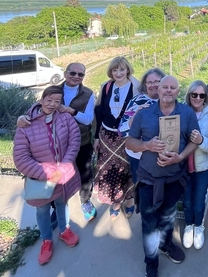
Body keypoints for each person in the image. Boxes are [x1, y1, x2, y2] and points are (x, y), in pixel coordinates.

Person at [125, 75, 199, 277]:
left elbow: (195, 140)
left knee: (167, 216)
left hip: (174, 177)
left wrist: (180, 158)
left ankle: (166, 245)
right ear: (157, 89)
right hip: (148, 179)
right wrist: (147, 145)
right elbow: (129, 141)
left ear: (178, 91)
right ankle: (151, 266)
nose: (167, 90)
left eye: (172, 87)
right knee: (149, 223)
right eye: (164, 87)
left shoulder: (186, 113)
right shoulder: (144, 114)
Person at [16, 61, 97, 222]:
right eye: (72, 73)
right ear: (65, 73)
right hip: (54, 145)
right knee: (55, 176)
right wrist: (23, 117)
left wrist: (71, 111)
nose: (76, 76)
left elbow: (88, 120)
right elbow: (39, 107)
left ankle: (85, 201)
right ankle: (55, 207)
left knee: (84, 173)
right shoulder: (55, 90)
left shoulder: (88, 94)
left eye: (80, 74)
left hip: (80, 141)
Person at [13, 85, 81, 265]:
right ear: (41, 100)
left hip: (62, 176)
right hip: (41, 179)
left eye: (57, 101)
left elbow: (74, 141)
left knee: (62, 203)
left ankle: (64, 230)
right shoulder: (26, 125)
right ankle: (46, 240)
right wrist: (49, 173)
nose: (52, 104)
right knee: (42, 209)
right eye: (49, 100)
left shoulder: (66, 118)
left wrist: (64, 168)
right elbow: (21, 158)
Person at [94, 56, 139, 218]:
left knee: (127, 168)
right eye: (115, 70)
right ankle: (116, 201)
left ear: (128, 69)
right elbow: (99, 113)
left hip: (126, 137)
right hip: (106, 136)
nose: (118, 73)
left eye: (121, 69)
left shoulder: (136, 87)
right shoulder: (106, 87)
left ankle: (129, 200)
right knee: (109, 169)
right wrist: (96, 137)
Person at [182, 80, 208, 250]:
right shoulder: (181, 112)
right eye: (194, 94)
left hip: (203, 167)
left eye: (201, 95)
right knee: (187, 201)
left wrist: (201, 141)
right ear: (189, 95)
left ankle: (199, 226)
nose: (197, 98)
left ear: (205, 96)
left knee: (198, 201)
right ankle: (188, 225)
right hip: (182, 166)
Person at [119, 67, 166, 188]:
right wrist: (135, 117)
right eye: (150, 82)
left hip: (161, 155)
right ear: (145, 85)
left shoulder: (169, 100)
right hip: (138, 156)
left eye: (157, 81)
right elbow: (122, 129)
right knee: (142, 189)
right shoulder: (137, 101)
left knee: (161, 190)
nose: (154, 85)